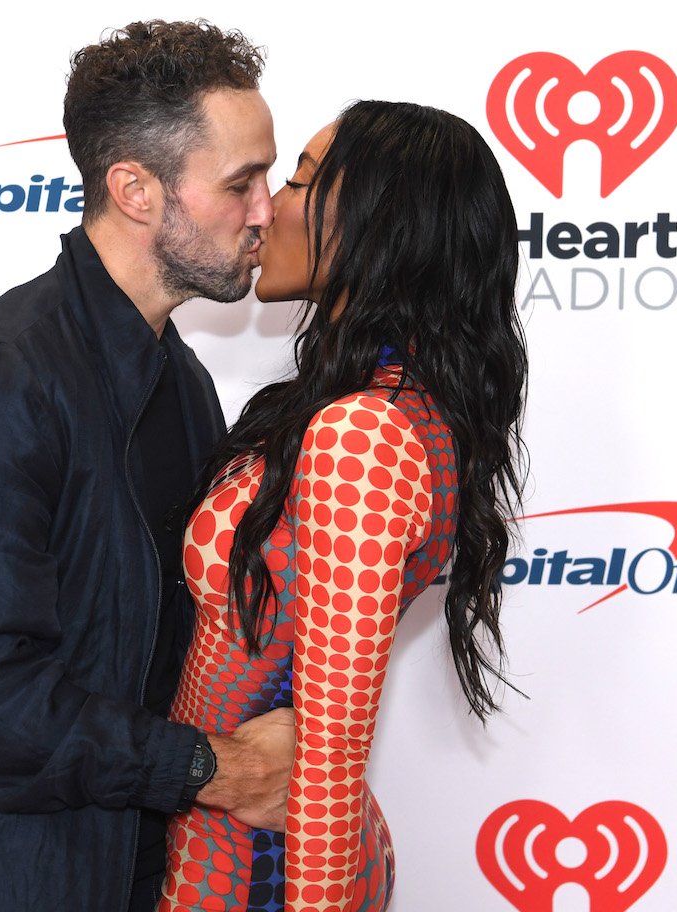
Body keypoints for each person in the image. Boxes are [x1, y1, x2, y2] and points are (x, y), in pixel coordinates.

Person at [0, 20, 295, 912]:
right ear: (134, 187)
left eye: (268, 179)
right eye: (240, 182)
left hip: (127, 876)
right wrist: (219, 769)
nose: (266, 210)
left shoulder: (183, 384)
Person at [157, 101, 528, 912]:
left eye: (298, 179)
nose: (267, 206)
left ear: (380, 223)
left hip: (262, 873)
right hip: (233, 849)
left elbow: (327, 755)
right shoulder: (381, 406)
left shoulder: (363, 433)